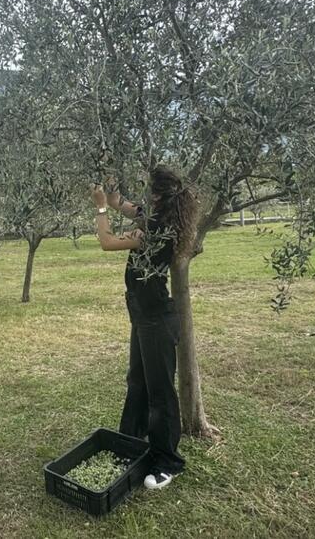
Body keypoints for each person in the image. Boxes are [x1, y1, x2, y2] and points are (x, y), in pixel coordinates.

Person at [91, 167, 197, 491]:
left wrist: (99, 208)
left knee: (160, 391)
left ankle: (168, 462)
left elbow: (108, 242)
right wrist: (108, 180)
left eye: (150, 190)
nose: (145, 195)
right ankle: (130, 445)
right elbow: (119, 201)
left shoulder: (156, 228)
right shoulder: (154, 215)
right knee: (137, 381)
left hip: (156, 318)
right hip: (142, 314)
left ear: (159, 197)